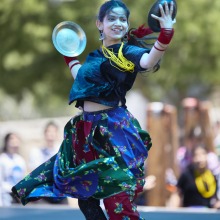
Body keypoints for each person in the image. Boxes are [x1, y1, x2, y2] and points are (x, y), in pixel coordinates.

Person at [12, 0, 176, 219]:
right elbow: (81, 80)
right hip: (87, 130)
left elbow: (147, 61)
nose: (118, 23)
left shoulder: (127, 51)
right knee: (86, 197)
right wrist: (68, 53)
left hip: (113, 129)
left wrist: (166, 33)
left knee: (116, 198)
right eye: (111, 18)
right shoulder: (94, 56)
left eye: (122, 19)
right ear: (100, 23)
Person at [0, 133, 27, 206]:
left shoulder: (20, 160)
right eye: (12, 140)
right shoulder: (2, 159)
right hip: (6, 194)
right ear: (6, 142)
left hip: (18, 196)